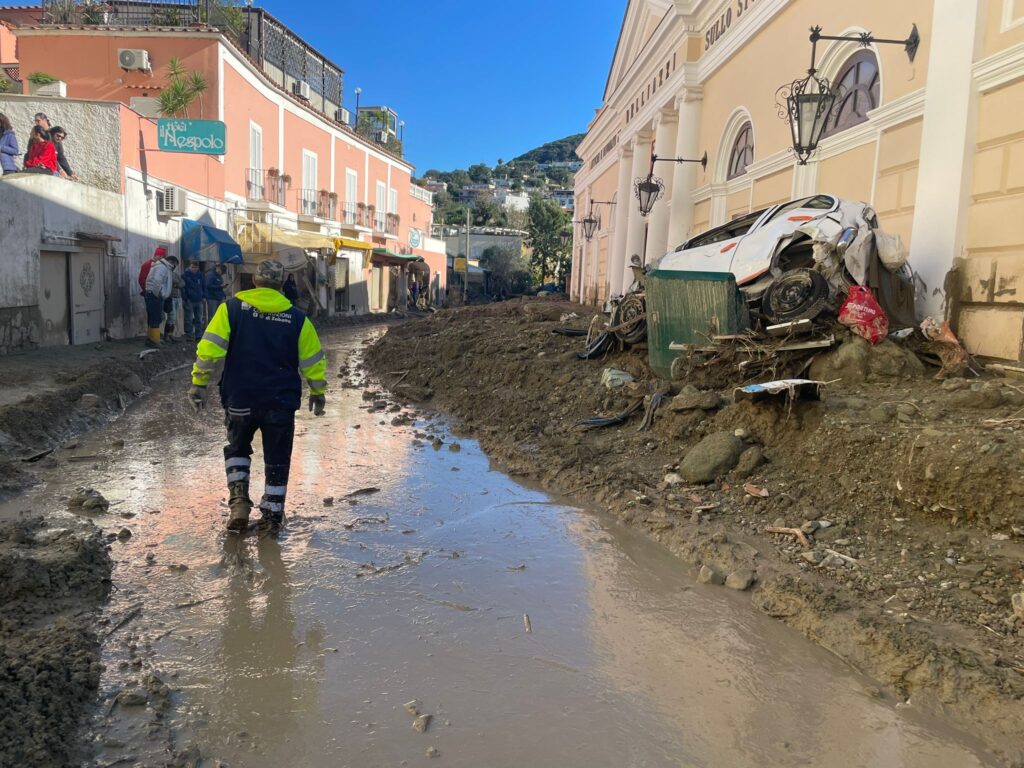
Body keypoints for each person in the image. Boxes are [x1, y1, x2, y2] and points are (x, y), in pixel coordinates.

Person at [188, 259, 327, 535]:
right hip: (280, 402)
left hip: (241, 397)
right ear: (281, 284)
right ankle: (272, 517)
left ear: (254, 280)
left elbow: (209, 350)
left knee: (238, 448)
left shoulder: (231, 309)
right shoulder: (297, 318)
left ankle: (239, 502)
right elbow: (312, 360)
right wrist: (318, 391)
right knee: (277, 456)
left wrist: (198, 383)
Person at [144, 255, 178, 348]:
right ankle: (155, 340)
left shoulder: (160, 266)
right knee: (156, 317)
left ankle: (152, 338)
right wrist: (159, 293)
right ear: (172, 263)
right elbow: (157, 281)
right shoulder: (162, 268)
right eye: (175, 265)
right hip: (155, 295)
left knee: (153, 317)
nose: (174, 267)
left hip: (153, 294)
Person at [181, 261, 205, 342]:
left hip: (199, 300)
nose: (194, 269)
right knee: (189, 319)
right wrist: (185, 298)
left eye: (195, 267)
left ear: (198, 268)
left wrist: (203, 296)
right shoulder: (184, 275)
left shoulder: (201, 275)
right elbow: (183, 288)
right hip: (189, 300)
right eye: (192, 267)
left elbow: (204, 286)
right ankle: (189, 336)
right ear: (189, 267)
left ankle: (198, 336)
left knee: (199, 319)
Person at [165, 264, 184, 343]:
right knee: (171, 317)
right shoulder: (166, 274)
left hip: (177, 297)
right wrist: (176, 284)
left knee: (174, 318)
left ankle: (170, 335)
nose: (173, 266)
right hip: (170, 297)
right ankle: (166, 336)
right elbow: (170, 283)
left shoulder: (175, 274)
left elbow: (183, 283)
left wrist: (176, 284)